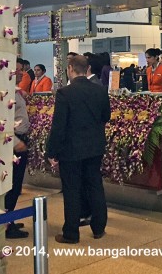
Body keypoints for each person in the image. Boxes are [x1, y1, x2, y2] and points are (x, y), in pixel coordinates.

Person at [46, 55, 110, 243]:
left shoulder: (65, 93)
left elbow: (59, 126)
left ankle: (71, 233)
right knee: (95, 185)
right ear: (87, 68)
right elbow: (106, 116)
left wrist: (52, 151)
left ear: (71, 69)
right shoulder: (100, 91)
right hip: (95, 147)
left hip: (71, 150)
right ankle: (99, 228)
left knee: (72, 189)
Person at [5, 90, 31, 239]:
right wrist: (15, 142)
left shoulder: (15, 91)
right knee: (12, 185)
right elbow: (1, 119)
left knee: (15, 185)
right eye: (18, 69)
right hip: (13, 143)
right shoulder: (5, 91)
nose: (21, 73)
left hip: (18, 139)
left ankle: (9, 219)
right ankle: (6, 224)